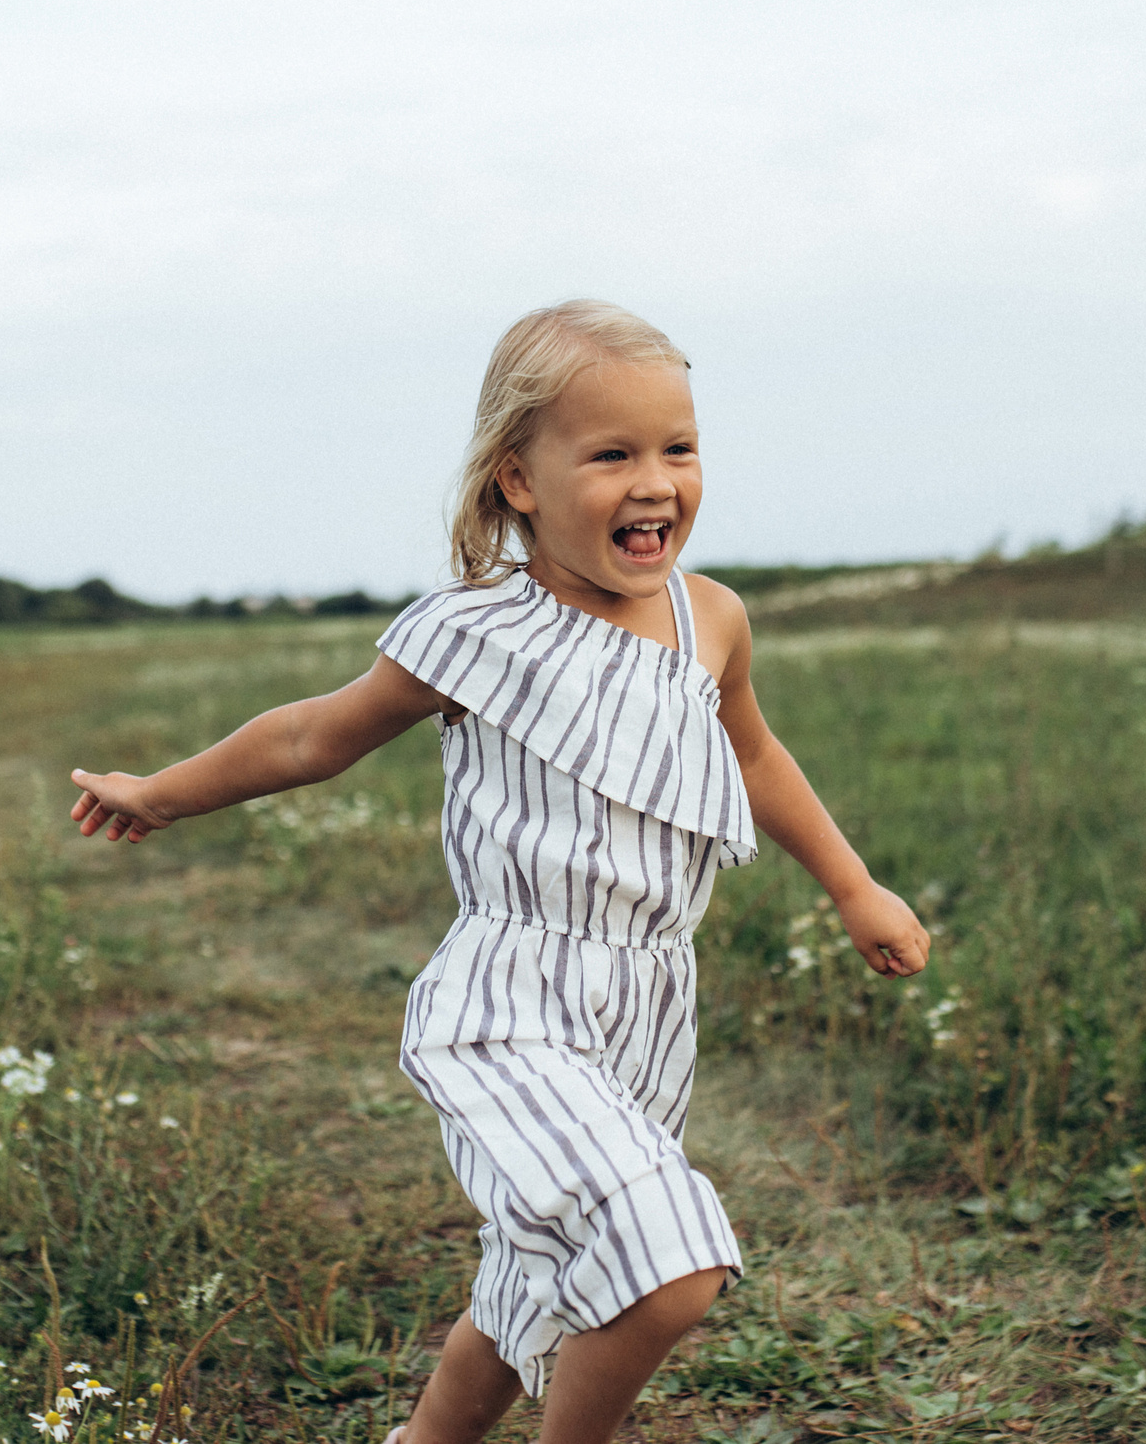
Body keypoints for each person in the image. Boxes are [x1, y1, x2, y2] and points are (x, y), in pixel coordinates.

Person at [68, 300, 930, 1444]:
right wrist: (161, 792)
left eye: (678, 448)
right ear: (518, 479)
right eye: (611, 455)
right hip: (511, 998)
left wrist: (853, 886)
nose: (656, 483)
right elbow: (312, 736)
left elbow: (754, 756)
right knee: (668, 1263)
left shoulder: (711, 620)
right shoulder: (474, 631)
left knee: (541, 1271)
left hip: (648, 1007)